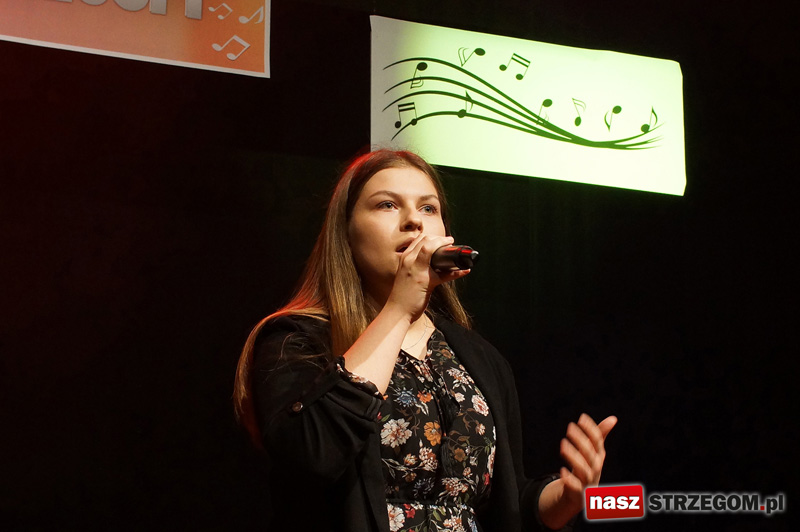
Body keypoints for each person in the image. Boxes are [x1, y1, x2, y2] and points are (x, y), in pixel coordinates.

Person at [233, 149, 616, 532]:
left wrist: (566, 497)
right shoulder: (296, 340)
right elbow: (312, 455)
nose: (414, 220)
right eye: (387, 205)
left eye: (428, 208)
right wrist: (400, 307)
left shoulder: (478, 358)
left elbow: (503, 504)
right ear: (346, 232)